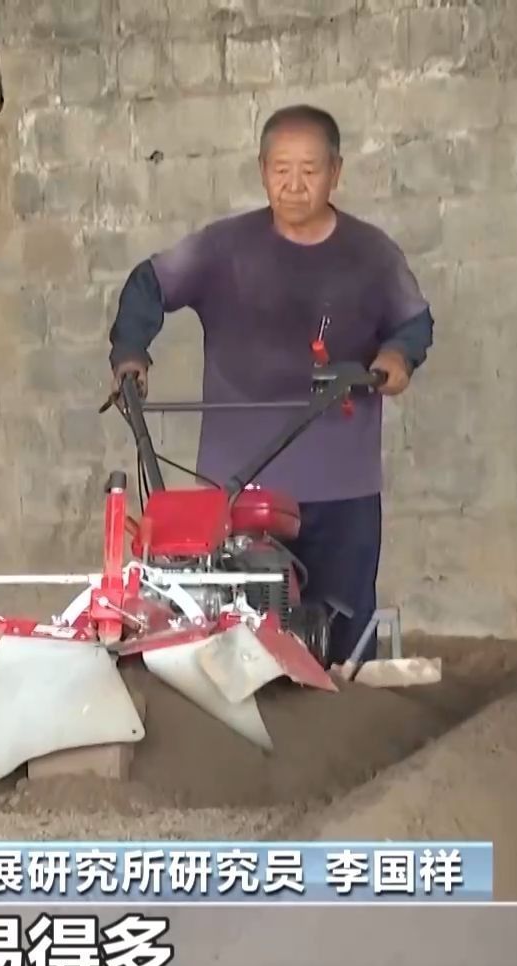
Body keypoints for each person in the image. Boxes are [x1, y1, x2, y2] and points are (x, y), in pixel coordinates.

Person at [105, 104, 435, 675]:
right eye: (281, 169)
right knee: (231, 629)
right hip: (236, 486)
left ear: (336, 171)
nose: (294, 184)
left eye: (309, 170)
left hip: (341, 486)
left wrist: (394, 359)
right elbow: (147, 285)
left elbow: (414, 324)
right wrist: (131, 353)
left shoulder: (371, 254)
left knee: (342, 638)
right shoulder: (223, 248)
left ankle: (345, 715)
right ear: (262, 170)